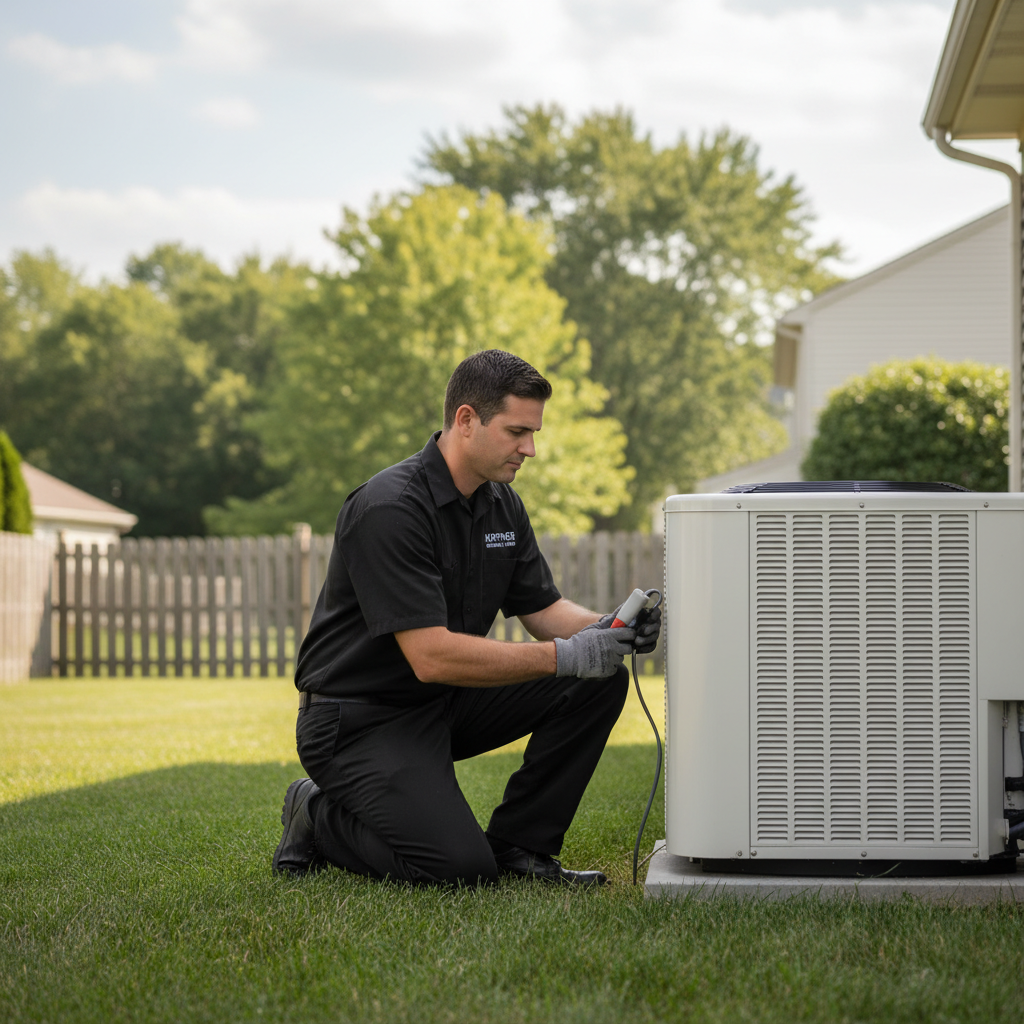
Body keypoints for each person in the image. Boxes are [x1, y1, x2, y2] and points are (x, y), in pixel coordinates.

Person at [272, 349, 661, 886]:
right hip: (358, 719)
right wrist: (565, 655)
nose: (530, 449)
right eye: (517, 432)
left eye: (533, 433)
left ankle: (523, 849)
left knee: (596, 681)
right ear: (466, 420)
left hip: (442, 702)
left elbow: (544, 609)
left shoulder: (501, 503)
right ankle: (315, 813)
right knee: (459, 870)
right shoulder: (389, 508)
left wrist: (611, 627)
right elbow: (430, 656)